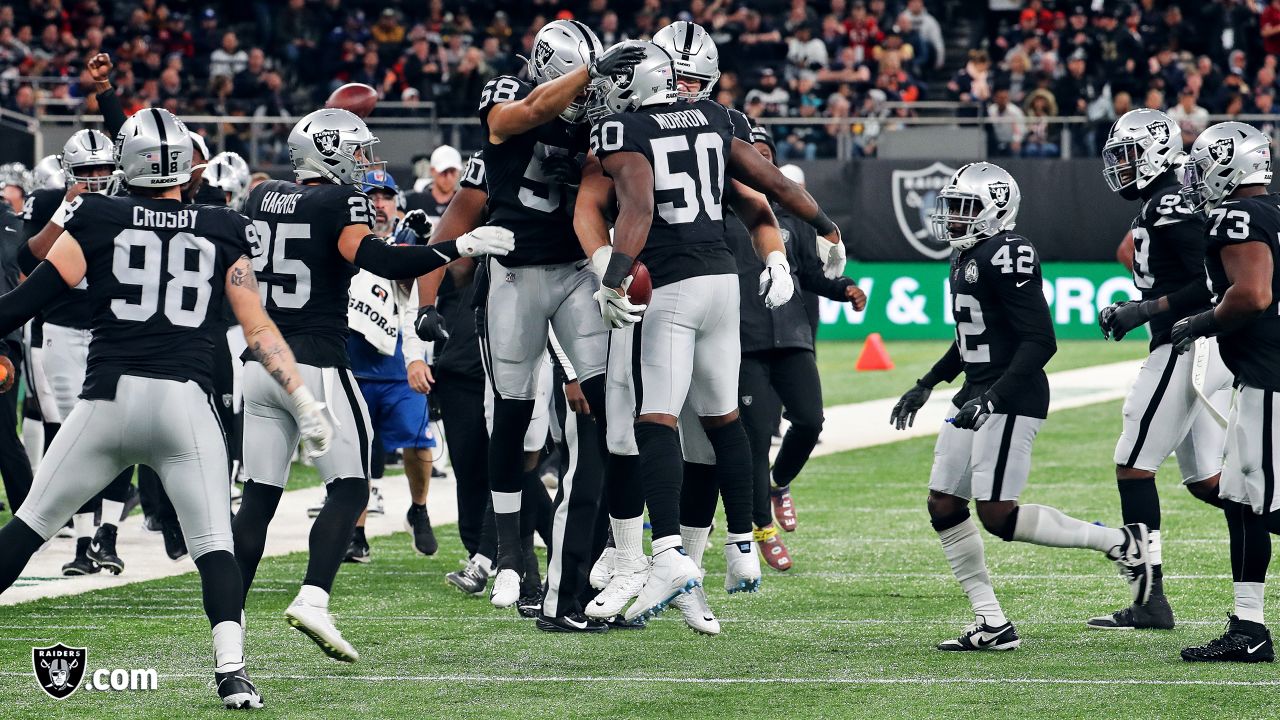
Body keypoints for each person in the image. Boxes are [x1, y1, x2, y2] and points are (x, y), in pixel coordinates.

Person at [0, 107, 330, 709]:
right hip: (184, 404)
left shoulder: (97, 215)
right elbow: (257, 326)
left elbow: (23, 302)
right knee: (214, 546)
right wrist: (302, 396)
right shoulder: (222, 225)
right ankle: (232, 672)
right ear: (186, 162)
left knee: (27, 527)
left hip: (107, 399)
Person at [235, 107, 513, 662]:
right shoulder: (339, 202)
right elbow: (382, 259)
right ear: (329, 153)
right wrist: (459, 246)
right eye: (357, 152)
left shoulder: (260, 197)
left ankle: (229, 621)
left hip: (259, 361)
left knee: (259, 498)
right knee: (351, 486)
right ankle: (314, 598)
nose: (364, 163)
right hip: (314, 361)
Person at [414, 20, 646, 629]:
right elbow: (504, 137)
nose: (590, 96)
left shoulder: (597, 122)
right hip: (513, 274)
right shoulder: (512, 95)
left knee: (603, 404)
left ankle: (613, 556)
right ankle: (512, 556)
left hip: (575, 270)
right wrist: (428, 301)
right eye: (583, 79)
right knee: (512, 414)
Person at [889, 162, 1152, 651]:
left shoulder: (1008, 252)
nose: (954, 218)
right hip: (976, 392)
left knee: (997, 515)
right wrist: (927, 382)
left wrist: (992, 398)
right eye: (953, 208)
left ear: (997, 209)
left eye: (965, 208)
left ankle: (1118, 542)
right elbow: (972, 337)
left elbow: (1040, 341)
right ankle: (992, 622)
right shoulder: (967, 255)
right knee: (943, 502)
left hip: (1011, 396)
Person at [586, 41, 795, 622]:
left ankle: (672, 557)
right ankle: (736, 547)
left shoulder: (628, 129)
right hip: (715, 279)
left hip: (666, 281)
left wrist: (612, 275)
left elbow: (643, 210)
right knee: (715, 422)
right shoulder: (715, 120)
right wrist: (823, 232)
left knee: (656, 423)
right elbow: (768, 190)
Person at [1093, 109, 1228, 630]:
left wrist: (1143, 310)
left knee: (1132, 463)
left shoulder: (1171, 202)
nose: (1120, 167)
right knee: (1209, 483)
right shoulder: (1160, 202)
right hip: (1190, 344)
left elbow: (1212, 283)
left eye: (1127, 156)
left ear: (1154, 152)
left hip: (1186, 344)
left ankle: (1150, 601)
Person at [1175, 122, 1279, 662]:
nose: (1194, 175)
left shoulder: (1236, 215)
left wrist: (1201, 322)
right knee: (1243, 501)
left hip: (1269, 379)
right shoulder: (1271, 213)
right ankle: (1249, 627)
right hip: (1263, 374)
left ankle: (1251, 629)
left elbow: (1254, 294)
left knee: (1260, 503)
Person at [20, 130, 137, 577]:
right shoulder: (51, 199)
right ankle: (84, 539)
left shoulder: (129, 203)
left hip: (112, 332)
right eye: (85, 171)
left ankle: (105, 534)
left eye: (102, 169)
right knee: (77, 436)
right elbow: (28, 259)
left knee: (119, 432)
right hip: (64, 331)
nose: (95, 178)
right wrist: (65, 212)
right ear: (70, 172)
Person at [342, 169, 438, 562]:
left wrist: (416, 357)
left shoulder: (410, 236)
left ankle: (419, 508)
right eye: (372, 196)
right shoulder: (345, 236)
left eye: (386, 196)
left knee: (418, 445)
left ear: (397, 201)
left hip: (400, 365)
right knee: (356, 451)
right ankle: (357, 532)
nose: (379, 204)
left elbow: (416, 299)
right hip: (353, 361)